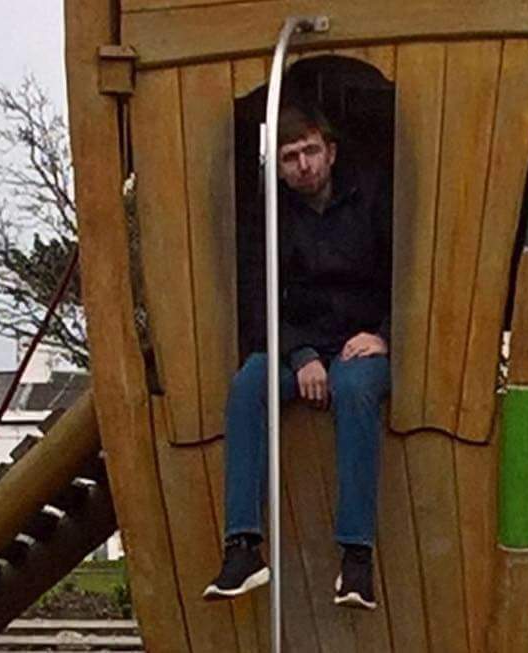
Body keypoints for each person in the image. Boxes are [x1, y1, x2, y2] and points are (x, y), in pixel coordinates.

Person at [202, 105, 392, 610]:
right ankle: (243, 547)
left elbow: (412, 272)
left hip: (362, 341)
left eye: (311, 151)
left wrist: (386, 336)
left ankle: (356, 559)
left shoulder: (374, 198)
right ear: (280, 168)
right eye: (290, 157)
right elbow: (257, 297)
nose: (303, 165)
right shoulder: (270, 216)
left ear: (331, 152)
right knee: (249, 383)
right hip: (300, 342)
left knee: (355, 389)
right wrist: (301, 352)